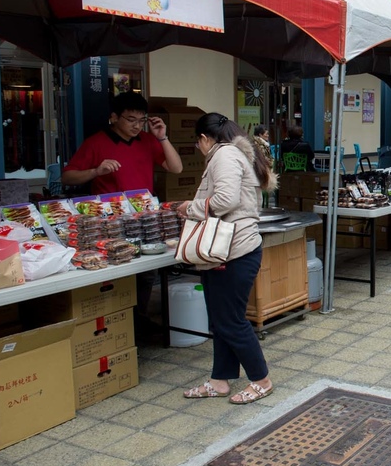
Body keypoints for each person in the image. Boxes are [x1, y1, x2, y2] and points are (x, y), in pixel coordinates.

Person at [62, 92, 184, 339]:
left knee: (147, 273)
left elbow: (176, 168)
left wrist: (163, 138)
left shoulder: (149, 141)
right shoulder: (96, 143)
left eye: (141, 120)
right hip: (110, 224)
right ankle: (118, 323)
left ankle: (139, 319)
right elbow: (67, 177)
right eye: (130, 119)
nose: (137, 125)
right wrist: (96, 171)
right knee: (117, 271)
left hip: (144, 219)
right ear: (114, 117)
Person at [180, 113, 278, 404]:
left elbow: (225, 200)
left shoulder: (223, 156)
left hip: (234, 251)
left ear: (203, 139)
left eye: (198, 144)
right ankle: (219, 381)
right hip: (227, 250)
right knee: (221, 320)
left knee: (231, 320)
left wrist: (190, 207)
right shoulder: (233, 154)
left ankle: (261, 379)